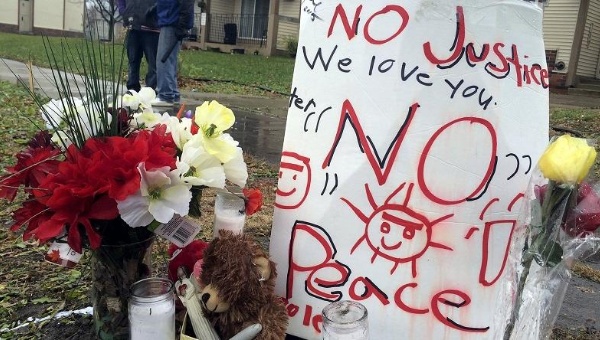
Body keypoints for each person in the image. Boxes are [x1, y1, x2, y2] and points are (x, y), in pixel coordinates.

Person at [154, 0, 195, 105]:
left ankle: (166, 95)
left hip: (172, 21)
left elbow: (187, 3)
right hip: (172, 20)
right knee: (170, 60)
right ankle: (172, 93)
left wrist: (182, 24)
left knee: (164, 60)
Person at [117, 0, 160, 92]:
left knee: (153, 61)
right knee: (133, 60)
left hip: (151, 28)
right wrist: (123, 11)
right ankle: (132, 88)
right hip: (132, 27)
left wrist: (153, 11)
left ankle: (150, 90)